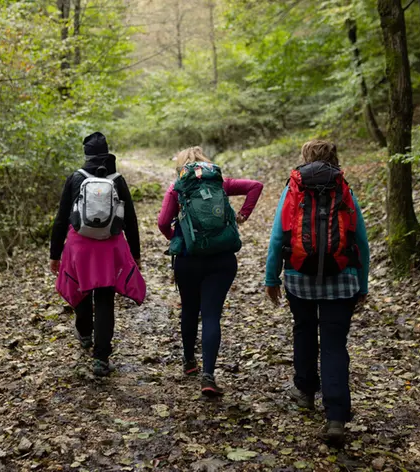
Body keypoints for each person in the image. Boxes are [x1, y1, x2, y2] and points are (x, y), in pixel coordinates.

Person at [264, 140, 370, 443]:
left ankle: (306, 391)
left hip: (300, 277)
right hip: (343, 278)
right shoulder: (344, 189)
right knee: (335, 345)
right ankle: (336, 416)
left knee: (305, 331)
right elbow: (360, 241)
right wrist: (362, 283)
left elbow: (277, 237)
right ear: (335, 159)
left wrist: (272, 279)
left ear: (304, 159)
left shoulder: (294, 189)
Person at [157, 146, 263, 396]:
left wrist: (177, 240)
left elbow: (162, 222)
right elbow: (255, 186)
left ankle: (189, 362)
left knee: (190, 309)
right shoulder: (221, 183)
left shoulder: (178, 187)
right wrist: (243, 215)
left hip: (188, 259)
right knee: (212, 314)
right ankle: (209, 376)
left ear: (181, 165)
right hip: (222, 259)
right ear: (206, 163)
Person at [50, 132, 145, 377]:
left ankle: (84, 333)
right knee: (104, 298)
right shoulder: (117, 179)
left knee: (81, 288)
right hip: (108, 246)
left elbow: (61, 219)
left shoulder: (75, 178)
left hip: (78, 246)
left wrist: (54, 253)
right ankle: (101, 359)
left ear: (86, 155)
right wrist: (135, 254)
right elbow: (130, 219)